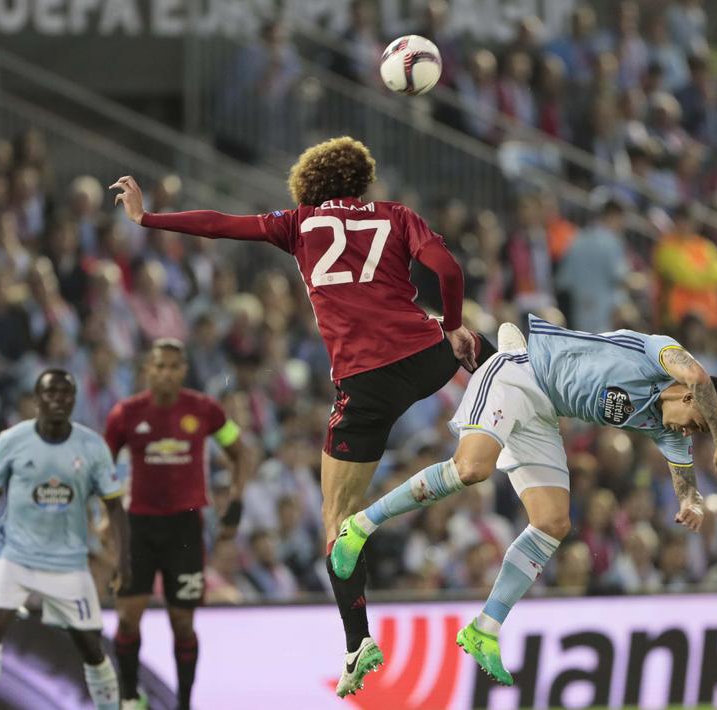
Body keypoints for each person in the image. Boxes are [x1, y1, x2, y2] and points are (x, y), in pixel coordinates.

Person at [110, 136, 496, 696]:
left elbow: (221, 224)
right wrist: (454, 324)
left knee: (337, 519)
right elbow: (449, 269)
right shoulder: (398, 216)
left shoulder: (299, 222)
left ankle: (357, 641)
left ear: (310, 182)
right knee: (489, 350)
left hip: (366, 386)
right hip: (426, 358)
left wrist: (148, 218)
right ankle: (542, 397)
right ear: (363, 179)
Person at [328, 319, 717, 684]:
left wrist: (694, 503)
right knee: (472, 469)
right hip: (519, 373)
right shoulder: (658, 354)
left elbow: (686, 483)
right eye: (697, 424)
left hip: (544, 412)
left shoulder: (665, 427)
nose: (689, 435)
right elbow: (700, 377)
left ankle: (485, 628)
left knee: (554, 522)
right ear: (686, 395)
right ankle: (360, 526)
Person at [103, 339, 254, 710]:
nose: (166, 373)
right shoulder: (125, 414)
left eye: (173, 366)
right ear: (147, 370)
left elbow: (241, 452)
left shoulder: (204, 410)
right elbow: (101, 467)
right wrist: (108, 518)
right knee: (127, 618)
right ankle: (128, 697)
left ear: (183, 370)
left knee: (183, 623)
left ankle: (184, 703)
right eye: (159, 366)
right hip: (139, 526)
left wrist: (234, 502)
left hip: (185, 529)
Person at [0, 369, 128, 710]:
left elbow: (114, 508)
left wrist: (122, 563)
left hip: (68, 563)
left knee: (91, 648)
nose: (57, 399)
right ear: (37, 399)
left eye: (65, 394)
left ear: (74, 400)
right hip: (15, 556)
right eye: (50, 393)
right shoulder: (12, 441)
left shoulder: (92, 447)